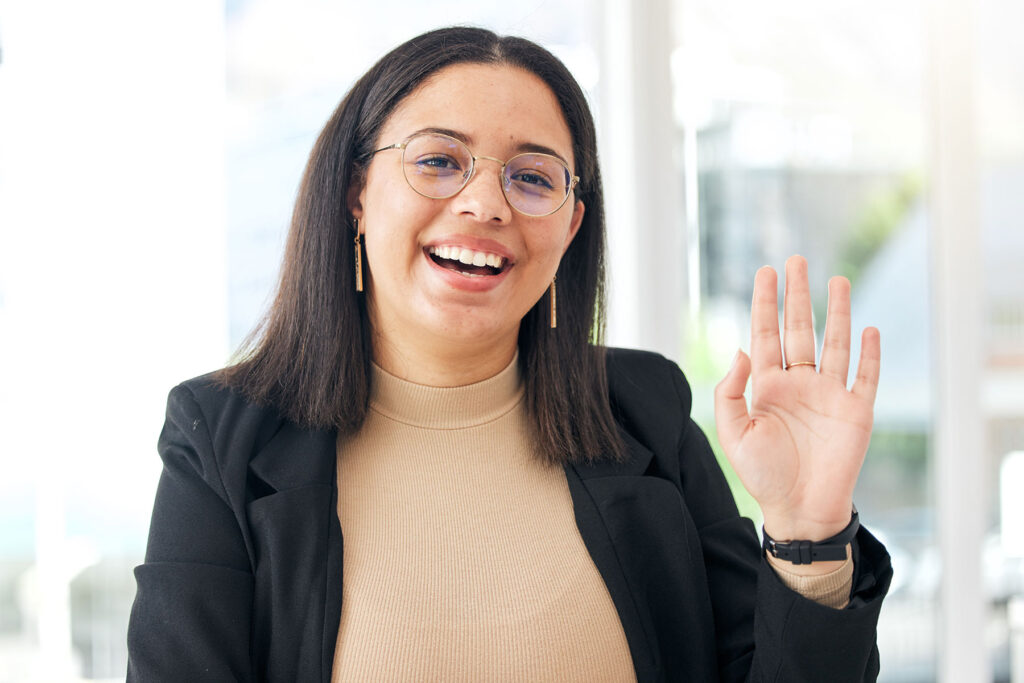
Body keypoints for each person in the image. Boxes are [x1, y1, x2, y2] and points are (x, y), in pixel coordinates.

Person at [126, 26, 891, 682]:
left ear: (570, 226)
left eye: (532, 178)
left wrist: (806, 528)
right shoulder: (220, 439)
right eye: (438, 161)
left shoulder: (645, 415)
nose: (485, 204)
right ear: (358, 193)